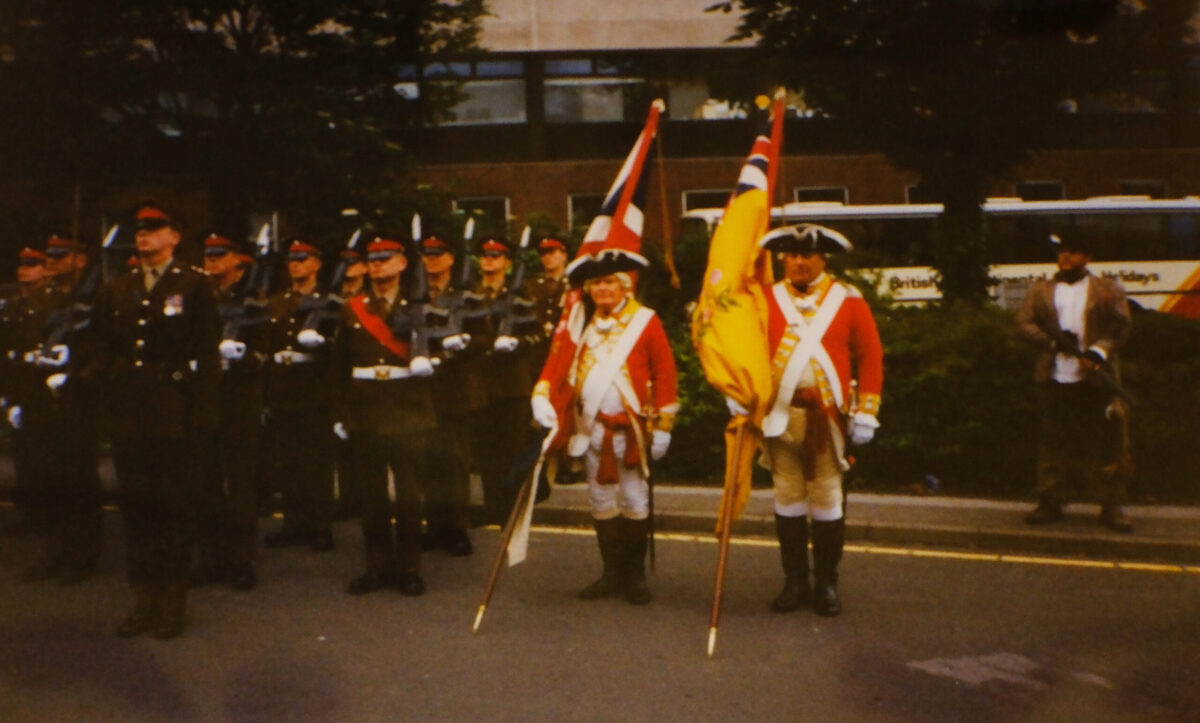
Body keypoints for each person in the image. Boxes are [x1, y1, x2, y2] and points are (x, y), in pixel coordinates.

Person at [84, 203, 221, 639]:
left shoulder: (193, 285)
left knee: (172, 510)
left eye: (154, 228)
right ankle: (143, 600)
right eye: (139, 230)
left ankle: (171, 603)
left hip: (174, 415)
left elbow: (207, 354)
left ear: (174, 236)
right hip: (130, 416)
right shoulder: (118, 288)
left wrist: (203, 416)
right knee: (137, 510)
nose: (143, 236)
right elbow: (104, 349)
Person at [756, 224, 883, 617]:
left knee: (827, 499)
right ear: (783, 258)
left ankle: (827, 583)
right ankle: (794, 582)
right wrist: (739, 392)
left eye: (808, 255)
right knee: (787, 498)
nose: (800, 262)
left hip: (827, 420)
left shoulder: (848, 299)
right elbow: (748, 350)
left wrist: (867, 410)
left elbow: (871, 355)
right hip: (780, 418)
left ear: (823, 258)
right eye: (793, 255)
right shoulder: (766, 299)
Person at [530, 270, 678, 605]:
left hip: (632, 431)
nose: (602, 288)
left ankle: (634, 575)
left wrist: (663, 425)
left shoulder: (645, 320)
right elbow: (560, 364)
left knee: (634, 500)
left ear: (625, 286)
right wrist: (544, 396)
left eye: (609, 282)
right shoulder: (581, 322)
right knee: (601, 500)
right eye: (596, 283)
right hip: (591, 427)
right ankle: (611, 573)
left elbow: (664, 371)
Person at [331, 236, 437, 595]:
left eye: (385, 258)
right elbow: (340, 365)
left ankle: (409, 568)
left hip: (407, 409)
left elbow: (440, 351)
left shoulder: (421, 305)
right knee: (371, 495)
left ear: (402, 263)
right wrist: (340, 413)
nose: (377, 264)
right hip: (365, 411)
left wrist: (433, 363)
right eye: (372, 259)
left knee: (409, 495)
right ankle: (376, 567)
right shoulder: (352, 308)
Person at [1017, 232, 1133, 532]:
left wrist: (1098, 351)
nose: (1066, 256)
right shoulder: (1041, 290)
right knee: (1052, 443)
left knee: (1105, 444)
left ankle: (1111, 506)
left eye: (1074, 251)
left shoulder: (1107, 289)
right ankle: (1049, 502)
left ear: (1088, 257)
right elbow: (1024, 323)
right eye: (1062, 251)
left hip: (1096, 381)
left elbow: (1120, 325)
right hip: (1055, 377)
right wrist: (1053, 342)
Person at [9, 236, 105, 584]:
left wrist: (78, 374)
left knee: (78, 480)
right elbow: (23, 351)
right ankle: (55, 550)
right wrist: (15, 398)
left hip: (76, 402)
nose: (52, 260)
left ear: (80, 260)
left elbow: (103, 352)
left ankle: (83, 556)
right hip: (40, 400)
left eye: (60, 255)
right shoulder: (43, 301)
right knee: (45, 479)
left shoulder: (94, 300)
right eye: (49, 255)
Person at [193, 233, 266, 590]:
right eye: (208, 255)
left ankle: (240, 560)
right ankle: (211, 559)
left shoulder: (253, 299)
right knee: (205, 482)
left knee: (240, 485)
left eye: (219, 254)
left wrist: (244, 356)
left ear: (236, 258)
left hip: (239, 400)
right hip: (204, 399)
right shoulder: (197, 295)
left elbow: (266, 349)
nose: (212, 260)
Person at [262, 240, 337, 551]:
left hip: (314, 386)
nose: (295, 264)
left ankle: (320, 525)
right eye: (291, 259)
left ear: (316, 263)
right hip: (283, 388)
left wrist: (323, 345)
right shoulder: (276, 302)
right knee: (288, 460)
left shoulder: (330, 302)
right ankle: (293, 524)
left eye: (302, 258)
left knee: (316, 460)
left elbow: (340, 348)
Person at [419, 232, 488, 555]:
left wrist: (465, 343)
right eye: (427, 254)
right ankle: (434, 527)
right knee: (428, 462)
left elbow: (485, 337)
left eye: (438, 254)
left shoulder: (468, 296)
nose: (431, 260)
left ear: (451, 259)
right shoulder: (415, 295)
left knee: (455, 462)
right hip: (423, 389)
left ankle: (457, 528)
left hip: (456, 389)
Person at [471, 236, 539, 524]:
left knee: (512, 450)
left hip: (512, 384)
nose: (489, 261)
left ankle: (512, 511)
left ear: (507, 263)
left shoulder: (521, 294)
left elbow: (536, 335)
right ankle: (492, 507)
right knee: (486, 452)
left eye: (496, 257)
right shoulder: (471, 293)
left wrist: (517, 343)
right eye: (485, 256)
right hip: (481, 383)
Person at [1, 248, 49, 521]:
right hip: (17, 381)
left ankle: (43, 506)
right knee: (21, 444)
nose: (24, 270)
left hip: (40, 381)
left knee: (41, 444)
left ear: (44, 270)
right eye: (22, 265)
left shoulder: (51, 303)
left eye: (32, 265)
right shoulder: (13, 305)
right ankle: (29, 504)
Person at [523, 236, 569, 366]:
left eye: (552, 252)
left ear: (564, 255)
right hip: (536, 351)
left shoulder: (572, 285)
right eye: (543, 253)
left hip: (563, 346)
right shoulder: (530, 285)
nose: (547, 257)